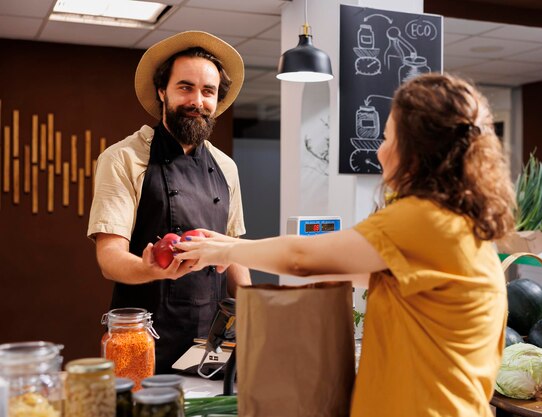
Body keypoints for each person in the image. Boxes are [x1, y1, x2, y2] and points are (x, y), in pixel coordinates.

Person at [175, 73, 517, 416]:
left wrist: (226, 251)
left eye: (387, 138)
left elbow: (301, 258)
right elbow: (341, 266)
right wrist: (225, 243)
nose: (380, 151)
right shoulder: (456, 224)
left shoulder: (424, 219)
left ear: (416, 150)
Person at [87, 31, 251, 374]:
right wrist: (148, 269)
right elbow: (109, 258)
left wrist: (257, 315)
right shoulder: (123, 159)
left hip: (213, 342)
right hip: (143, 340)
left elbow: (234, 250)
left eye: (208, 91)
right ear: (162, 91)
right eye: (185, 87)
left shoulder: (227, 168)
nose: (197, 100)